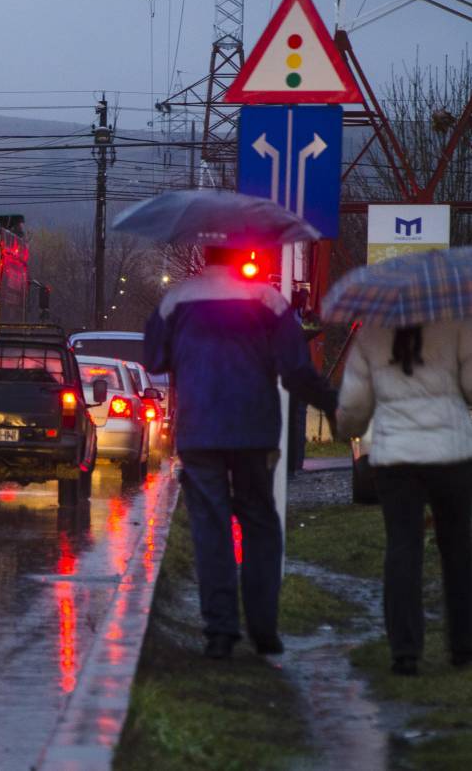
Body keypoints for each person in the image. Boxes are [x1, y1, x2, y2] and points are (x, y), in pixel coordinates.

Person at [144, 246, 338, 659]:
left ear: (205, 256)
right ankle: (264, 629)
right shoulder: (268, 301)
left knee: (210, 528)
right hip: (254, 431)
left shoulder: (177, 300)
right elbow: (295, 368)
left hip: (199, 432)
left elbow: (154, 359)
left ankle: (220, 631)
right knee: (260, 525)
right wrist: (332, 405)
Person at [335, 320, 472, 676]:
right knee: (457, 548)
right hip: (452, 454)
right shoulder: (459, 325)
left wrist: (345, 427)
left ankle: (405, 651)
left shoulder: (371, 335)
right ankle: (464, 643)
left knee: (402, 548)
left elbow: (353, 406)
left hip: (397, 457)